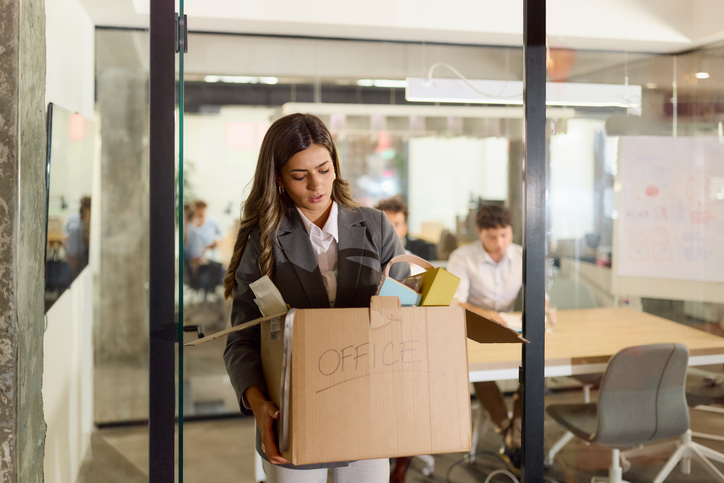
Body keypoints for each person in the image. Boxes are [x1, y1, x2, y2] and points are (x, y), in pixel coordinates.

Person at [222, 113, 409, 482]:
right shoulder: (265, 241)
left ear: (335, 165)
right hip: (293, 413)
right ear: (277, 178)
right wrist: (258, 405)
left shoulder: (375, 227)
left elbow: (406, 314)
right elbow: (241, 339)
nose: (316, 185)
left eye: (324, 169)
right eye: (299, 175)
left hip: (366, 407)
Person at [446, 204, 523, 470]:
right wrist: (487, 314)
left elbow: (541, 297)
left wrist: (545, 307)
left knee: (532, 365)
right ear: (479, 232)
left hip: (511, 329)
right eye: (493, 236)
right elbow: (454, 302)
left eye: (505, 234)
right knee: (479, 369)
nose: (500, 243)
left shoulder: (522, 255)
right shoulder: (463, 257)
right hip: (474, 331)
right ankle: (507, 429)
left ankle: (517, 434)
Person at [374, 196, 436, 261]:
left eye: (397, 224)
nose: (392, 229)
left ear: (405, 229)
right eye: (386, 224)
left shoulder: (419, 256)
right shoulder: (368, 256)